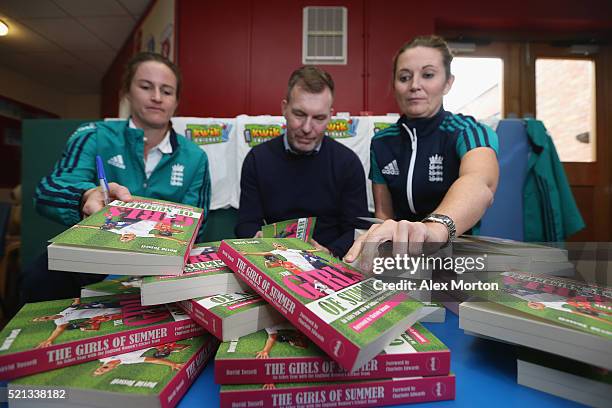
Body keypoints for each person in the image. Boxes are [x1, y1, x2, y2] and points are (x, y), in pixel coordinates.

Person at [21, 52, 211, 303]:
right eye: (145, 87)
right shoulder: (94, 135)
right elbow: (48, 191)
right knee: (37, 278)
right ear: (127, 93)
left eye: (166, 91)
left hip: (160, 264)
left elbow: (197, 222)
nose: (156, 97)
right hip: (92, 260)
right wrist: (86, 196)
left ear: (176, 101)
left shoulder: (195, 157)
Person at [345, 35, 499, 262]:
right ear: (395, 84)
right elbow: (383, 213)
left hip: (457, 257)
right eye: (404, 77)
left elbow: (480, 182)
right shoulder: (382, 142)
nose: (414, 85)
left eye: (428, 75)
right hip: (401, 257)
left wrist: (434, 230)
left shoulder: (468, 131)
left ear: (448, 82)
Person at [235, 66, 369, 258]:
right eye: (299, 114)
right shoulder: (257, 159)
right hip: (272, 257)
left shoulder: (347, 163)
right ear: (284, 108)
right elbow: (245, 223)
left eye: (319, 118)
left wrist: (329, 253)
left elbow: (357, 230)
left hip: (330, 263)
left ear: (330, 116)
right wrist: (257, 239)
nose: (307, 128)